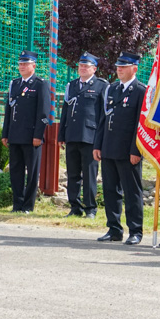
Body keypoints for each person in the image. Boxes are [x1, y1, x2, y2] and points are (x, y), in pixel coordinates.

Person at [93, 51, 147, 245]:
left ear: (134, 69)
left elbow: (140, 125)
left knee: (132, 192)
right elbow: (103, 118)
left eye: (123, 67)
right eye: (118, 66)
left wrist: (136, 150)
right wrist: (98, 144)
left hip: (128, 151)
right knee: (110, 190)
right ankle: (114, 228)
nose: (119, 70)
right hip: (108, 147)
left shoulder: (141, 91)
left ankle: (135, 231)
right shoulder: (112, 89)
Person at [57, 53, 108, 219]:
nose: (83, 68)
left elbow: (103, 114)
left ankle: (90, 208)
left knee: (89, 175)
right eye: (81, 66)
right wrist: (61, 135)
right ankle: (75, 206)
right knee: (72, 174)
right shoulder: (71, 86)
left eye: (86, 66)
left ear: (94, 69)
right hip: (72, 135)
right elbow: (65, 111)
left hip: (90, 137)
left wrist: (101, 139)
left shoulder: (101, 85)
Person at [1, 51, 51, 214]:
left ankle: (28, 206)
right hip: (15, 135)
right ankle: (17, 204)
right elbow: (8, 110)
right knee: (15, 171)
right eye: (20, 64)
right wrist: (5, 133)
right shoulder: (14, 84)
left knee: (32, 173)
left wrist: (38, 135)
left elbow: (43, 112)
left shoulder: (40, 84)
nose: (22, 67)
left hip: (31, 137)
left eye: (25, 64)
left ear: (33, 66)